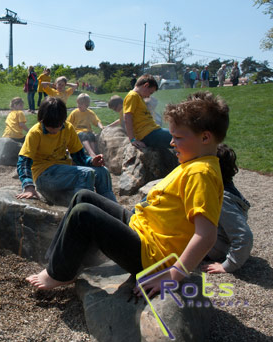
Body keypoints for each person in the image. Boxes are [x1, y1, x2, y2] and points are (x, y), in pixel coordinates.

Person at [26, 91, 230, 296]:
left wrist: (172, 275)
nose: (171, 142)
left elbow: (206, 235)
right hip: (140, 229)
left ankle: (59, 273)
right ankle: (59, 261)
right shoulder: (193, 162)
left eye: (177, 137)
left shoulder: (202, 173)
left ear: (205, 137)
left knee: (83, 213)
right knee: (83, 197)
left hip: (149, 255)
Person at [16, 97, 116, 205]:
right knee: (85, 174)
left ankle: (113, 209)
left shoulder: (68, 128)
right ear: (42, 120)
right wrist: (29, 187)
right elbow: (24, 162)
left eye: (57, 127)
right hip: (44, 176)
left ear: (63, 120)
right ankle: (83, 210)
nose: (54, 131)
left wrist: (92, 162)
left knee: (102, 172)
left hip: (64, 172)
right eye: (50, 127)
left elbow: (79, 157)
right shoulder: (35, 133)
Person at [201, 144, 253, 274]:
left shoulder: (222, 198)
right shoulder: (222, 186)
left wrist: (227, 265)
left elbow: (243, 236)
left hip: (213, 248)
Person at [123, 74, 171, 149]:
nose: (149, 96)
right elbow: (127, 117)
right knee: (180, 138)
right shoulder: (132, 96)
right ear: (146, 85)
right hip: (148, 134)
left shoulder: (138, 97)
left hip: (152, 131)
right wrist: (132, 139)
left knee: (179, 135)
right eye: (150, 92)